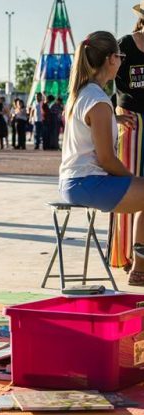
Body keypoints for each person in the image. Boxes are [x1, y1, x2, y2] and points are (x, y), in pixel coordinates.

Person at [59, 30, 144, 286]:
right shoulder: (98, 100)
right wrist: (133, 181)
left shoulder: (87, 94)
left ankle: (140, 267)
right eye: (120, 56)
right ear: (110, 60)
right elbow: (107, 160)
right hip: (86, 182)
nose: (122, 60)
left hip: (77, 181)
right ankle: (140, 267)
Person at [110, 4, 144, 273]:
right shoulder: (124, 45)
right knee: (128, 187)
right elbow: (102, 79)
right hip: (131, 123)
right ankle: (125, 254)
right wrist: (113, 114)